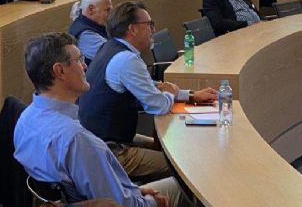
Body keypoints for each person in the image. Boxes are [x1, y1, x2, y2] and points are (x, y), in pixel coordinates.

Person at [14, 32, 189, 207]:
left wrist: (134, 191)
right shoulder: (76, 140)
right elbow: (118, 204)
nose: (85, 66)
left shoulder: (25, 119)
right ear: (60, 71)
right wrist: (151, 201)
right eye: (79, 60)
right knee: (188, 183)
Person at [78, 2, 217, 187]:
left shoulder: (110, 48)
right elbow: (158, 106)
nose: (154, 30)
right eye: (149, 24)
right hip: (111, 153)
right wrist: (170, 93)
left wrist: (190, 95)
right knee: (188, 166)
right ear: (132, 29)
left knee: (172, 151)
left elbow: (150, 87)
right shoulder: (127, 59)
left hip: (101, 142)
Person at [68, 0, 112, 64]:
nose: (110, 14)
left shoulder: (86, 24)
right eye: (107, 10)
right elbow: (115, 56)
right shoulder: (86, 35)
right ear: (91, 9)